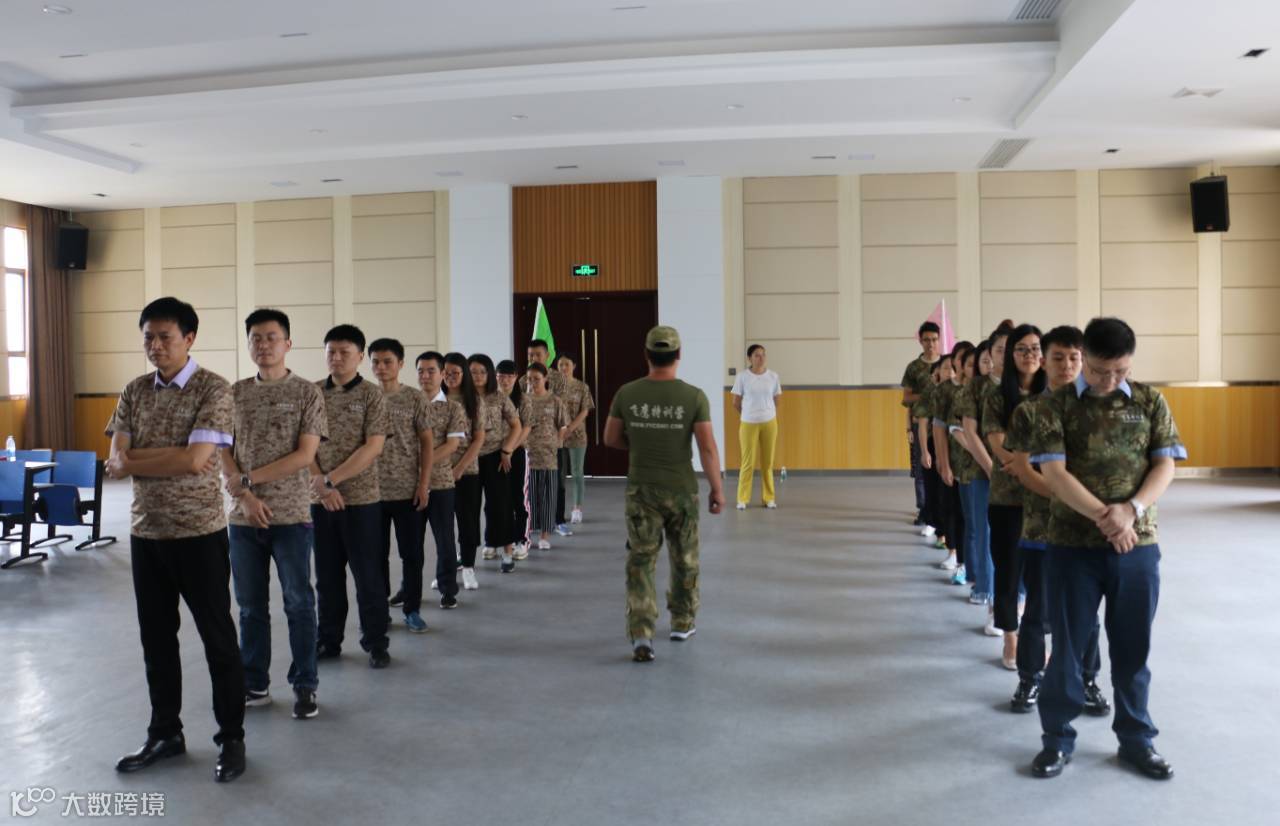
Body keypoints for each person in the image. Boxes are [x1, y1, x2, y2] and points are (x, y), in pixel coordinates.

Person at [1028, 317, 1185, 781]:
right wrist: (1107, 517)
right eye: (1099, 371)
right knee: (1068, 649)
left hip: (1137, 546)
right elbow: (1054, 475)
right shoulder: (1054, 405)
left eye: (1120, 371)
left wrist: (1131, 511)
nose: (1109, 380)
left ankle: (1137, 740)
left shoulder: (1150, 401)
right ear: (1085, 359)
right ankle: (1057, 739)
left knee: (1133, 649)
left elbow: (1165, 466)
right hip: (1072, 548)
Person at [105, 296, 246, 783]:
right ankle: (165, 732)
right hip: (146, 534)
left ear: (189, 338)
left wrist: (136, 460)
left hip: (198, 534)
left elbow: (194, 460)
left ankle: (231, 738)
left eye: (165, 337)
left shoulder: (214, 389)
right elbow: (115, 458)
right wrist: (145, 458)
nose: (156, 346)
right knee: (157, 640)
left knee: (218, 639)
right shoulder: (135, 390)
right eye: (148, 337)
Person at [223, 308, 326, 721]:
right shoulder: (234, 393)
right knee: (250, 607)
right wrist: (246, 496)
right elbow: (222, 449)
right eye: (256, 338)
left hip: (291, 517)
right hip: (242, 519)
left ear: (288, 343)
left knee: (298, 603)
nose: (263, 345)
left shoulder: (307, 393)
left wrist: (248, 480)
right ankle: (255, 683)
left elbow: (304, 454)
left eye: (271, 337)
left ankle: (305, 684)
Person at [1004, 325, 1109, 717]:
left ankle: (1087, 679)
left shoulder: (1098, 411)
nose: (1067, 365)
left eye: (1074, 357)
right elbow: (1022, 469)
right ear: (1044, 361)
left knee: (1088, 612)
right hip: (1042, 528)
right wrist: (1068, 497)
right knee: (1037, 609)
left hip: (1086, 530)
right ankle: (1030, 677)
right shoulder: (1028, 411)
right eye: (1058, 357)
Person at [604, 325, 725, 663]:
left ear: (647, 355)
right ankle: (682, 623)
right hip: (681, 490)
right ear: (678, 355)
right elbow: (707, 448)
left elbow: (610, 438)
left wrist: (639, 445)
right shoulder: (694, 397)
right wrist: (717, 489)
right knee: (685, 558)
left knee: (641, 560)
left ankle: (641, 634)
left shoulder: (627, 393)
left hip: (641, 491)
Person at [311, 324, 390, 668]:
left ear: (359, 356)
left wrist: (331, 480)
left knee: (368, 576)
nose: (337, 358)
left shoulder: (372, 395)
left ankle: (376, 642)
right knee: (327, 578)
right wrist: (320, 484)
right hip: (320, 501)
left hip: (361, 500)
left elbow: (373, 447)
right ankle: (328, 640)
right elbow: (303, 445)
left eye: (345, 352)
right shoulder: (312, 393)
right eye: (331, 352)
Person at [982, 323, 1044, 671]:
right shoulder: (997, 396)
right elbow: (995, 440)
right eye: (1022, 349)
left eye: (1035, 348)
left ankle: (1035, 640)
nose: (1029, 354)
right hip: (1008, 495)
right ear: (1010, 355)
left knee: (1040, 574)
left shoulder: (1052, 393)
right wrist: (1023, 467)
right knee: (1008, 568)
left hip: (1046, 496)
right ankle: (1010, 636)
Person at [370, 339, 433, 633]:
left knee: (412, 554)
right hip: (370, 493)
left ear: (400, 364)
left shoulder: (414, 398)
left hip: (408, 490)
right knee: (376, 555)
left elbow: (427, 443)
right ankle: (380, 611)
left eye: (387, 362)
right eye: (375, 362)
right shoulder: (366, 396)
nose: (381, 367)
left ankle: (412, 609)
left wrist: (423, 484)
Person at [961, 322, 1014, 638]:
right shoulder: (977, 387)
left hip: (1023, 475)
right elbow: (969, 431)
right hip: (985, 473)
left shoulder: (1026, 385)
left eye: (1011, 350)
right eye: (999, 350)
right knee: (987, 533)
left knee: (1020, 537)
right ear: (990, 354)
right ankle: (993, 601)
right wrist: (993, 469)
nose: (1005, 355)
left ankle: (1019, 601)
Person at [416, 351, 466, 609]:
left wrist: (420, 464)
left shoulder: (452, 408)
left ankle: (448, 589)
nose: (425, 376)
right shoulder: (408, 403)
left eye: (431, 371)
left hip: (440, 484)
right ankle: (408, 590)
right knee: (411, 544)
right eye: (420, 371)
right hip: (408, 485)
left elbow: (452, 445)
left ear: (442, 374)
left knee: (444, 539)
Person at [470, 354, 522, 571]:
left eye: (483, 371)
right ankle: (466, 556)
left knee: (501, 505)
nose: (478, 376)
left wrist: (507, 450)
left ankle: (507, 552)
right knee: (468, 509)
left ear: (490, 374)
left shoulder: (499, 397)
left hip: (495, 458)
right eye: (473, 372)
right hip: (468, 459)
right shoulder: (462, 398)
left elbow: (516, 426)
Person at [444, 352, 486, 591]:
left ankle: (468, 566)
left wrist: (459, 468)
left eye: (456, 373)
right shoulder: (434, 399)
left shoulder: (474, 401)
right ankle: (445, 571)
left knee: (467, 521)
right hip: (438, 472)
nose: (450, 376)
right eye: (446, 372)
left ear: (464, 375)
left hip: (466, 471)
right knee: (443, 525)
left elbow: (478, 439)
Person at [518, 363, 570, 555]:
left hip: (549, 457)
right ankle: (527, 534)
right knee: (529, 498)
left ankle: (545, 536)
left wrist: (558, 441)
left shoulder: (555, 401)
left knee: (548, 497)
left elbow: (563, 425)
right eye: (529, 379)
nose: (532, 383)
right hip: (528, 455)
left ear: (545, 379)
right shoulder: (523, 401)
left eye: (536, 379)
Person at [932, 345, 972, 584]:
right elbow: (940, 428)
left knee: (971, 518)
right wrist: (942, 461)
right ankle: (955, 554)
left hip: (976, 468)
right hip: (954, 461)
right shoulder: (946, 390)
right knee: (953, 510)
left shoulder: (977, 389)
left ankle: (969, 563)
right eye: (963, 361)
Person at [527, 338, 572, 536]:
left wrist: (558, 440)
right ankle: (534, 521)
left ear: (547, 355)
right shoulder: (524, 379)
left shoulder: (559, 378)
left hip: (553, 441)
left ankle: (558, 520)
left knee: (557, 483)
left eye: (538, 354)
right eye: (530, 355)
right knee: (531, 485)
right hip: (529, 444)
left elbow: (560, 409)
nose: (534, 358)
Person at [731, 343, 782, 510]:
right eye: (757, 355)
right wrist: (748, 413)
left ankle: (769, 498)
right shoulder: (742, 377)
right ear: (749, 358)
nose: (761, 358)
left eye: (763, 355)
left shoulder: (773, 376)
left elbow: (777, 400)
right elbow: (735, 402)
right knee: (748, 463)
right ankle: (742, 499)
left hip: (769, 423)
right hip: (748, 423)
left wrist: (767, 413)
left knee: (767, 463)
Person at [901, 321, 941, 528]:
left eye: (934, 339)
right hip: (920, 424)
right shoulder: (913, 368)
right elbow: (907, 397)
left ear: (939, 340)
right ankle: (923, 509)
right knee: (921, 468)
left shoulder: (946, 365)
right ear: (920, 341)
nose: (930, 344)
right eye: (926, 340)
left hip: (942, 425)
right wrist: (925, 397)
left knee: (941, 465)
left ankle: (939, 508)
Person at [556, 353, 595, 524]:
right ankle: (557, 511)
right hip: (557, 436)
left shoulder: (582, 387)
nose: (564, 368)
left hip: (577, 435)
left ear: (574, 366)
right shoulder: (553, 387)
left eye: (567, 364)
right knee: (559, 474)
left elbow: (585, 411)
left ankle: (577, 508)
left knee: (577, 472)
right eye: (560, 365)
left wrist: (570, 428)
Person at [496, 360, 530, 556]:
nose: (505, 380)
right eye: (501, 376)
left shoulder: (523, 399)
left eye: (510, 376)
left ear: (516, 377)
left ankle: (521, 539)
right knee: (496, 500)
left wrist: (509, 450)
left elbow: (526, 428)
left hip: (515, 453)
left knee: (517, 497)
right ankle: (494, 540)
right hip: (494, 453)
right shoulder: (490, 398)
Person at [916, 360, 948, 553]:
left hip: (952, 447)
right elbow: (922, 424)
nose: (950, 372)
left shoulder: (960, 391)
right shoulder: (930, 394)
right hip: (932, 443)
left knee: (947, 494)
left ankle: (947, 534)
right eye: (945, 368)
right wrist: (925, 451)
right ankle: (937, 528)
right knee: (933, 488)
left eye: (953, 368)